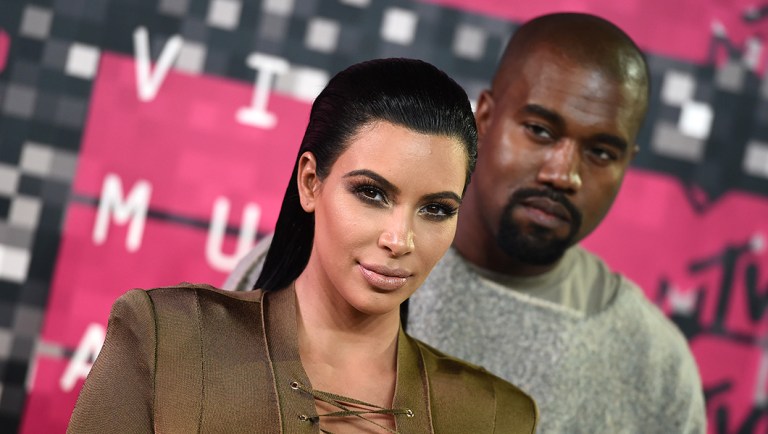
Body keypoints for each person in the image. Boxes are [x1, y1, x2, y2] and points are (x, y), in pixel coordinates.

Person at [225, 13, 707, 433]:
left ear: (629, 163)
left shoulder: (655, 365)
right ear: (485, 117)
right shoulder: (314, 265)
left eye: (601, 151)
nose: (564, 173)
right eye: (539, 131)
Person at [67, 58, 538, 433]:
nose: (400, 239)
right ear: (311, 182)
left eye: (436, 209)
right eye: (371, 193)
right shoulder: (167, 340)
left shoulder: (495, 417)